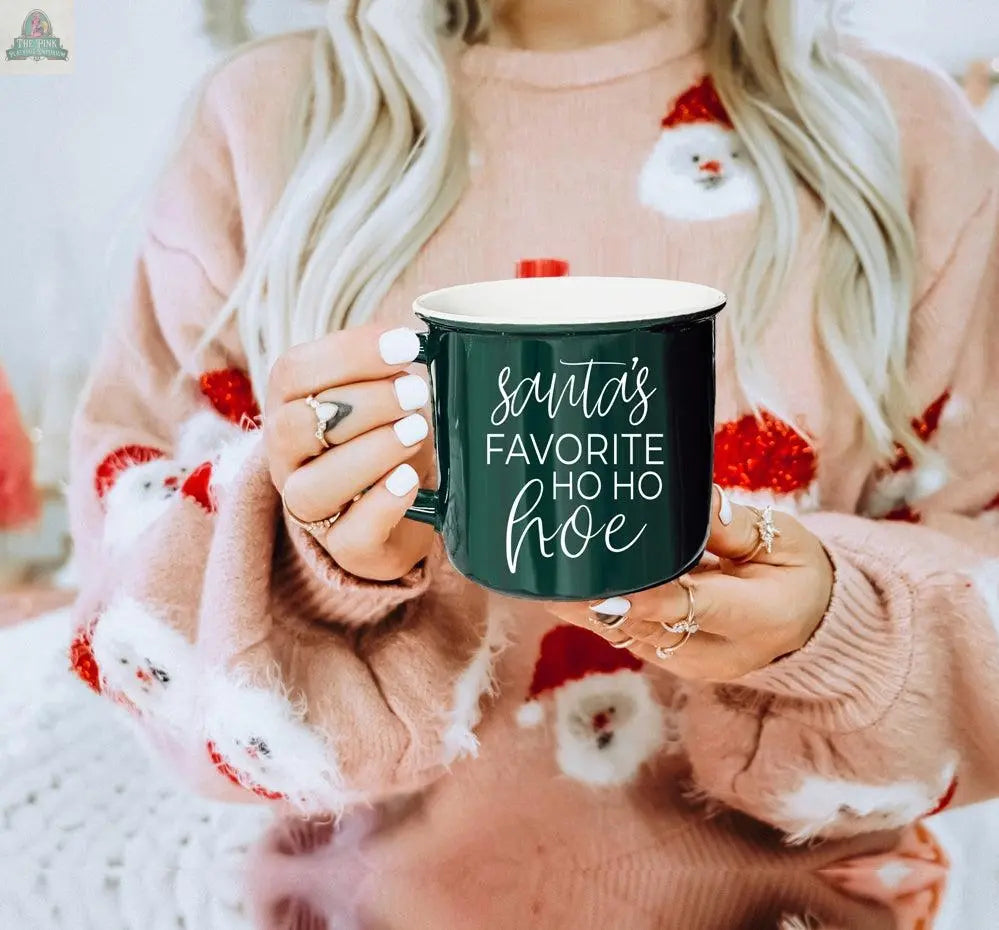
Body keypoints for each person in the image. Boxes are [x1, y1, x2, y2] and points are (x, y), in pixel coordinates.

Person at [69, 0, 999, 913]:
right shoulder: (266, 122)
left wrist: (839, 634)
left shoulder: (897, 132)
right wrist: (313, 578)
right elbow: (141, 636)